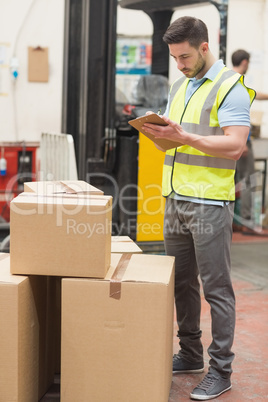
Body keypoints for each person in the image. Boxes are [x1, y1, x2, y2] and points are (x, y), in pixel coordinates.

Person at [142, 17, 255, 400]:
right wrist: (157, 134)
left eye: (185, 56)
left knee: (217, 289)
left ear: (204, 47)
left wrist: (184, 137)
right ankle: (190, 353)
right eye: (175, 58)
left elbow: (235, 145)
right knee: (181, 284)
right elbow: (173, 142)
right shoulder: (181, 83)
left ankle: (221, 370)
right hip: (175, 198)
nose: (180, 64)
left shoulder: (231, 87)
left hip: (209, 202)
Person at [232, 49, 268, 231]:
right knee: (247, 180)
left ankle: (230, 220)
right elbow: (241, 114)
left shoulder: (228, 81)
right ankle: (245, 221)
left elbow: (254, 94)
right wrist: (244, 141)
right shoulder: (238, 83)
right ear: (245, 62)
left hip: (228, 141)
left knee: (231, 179)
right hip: (241, 141)